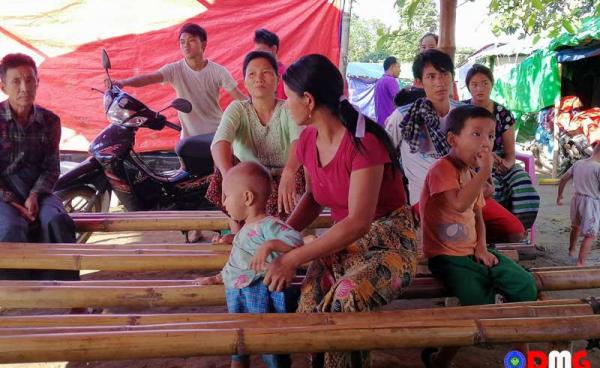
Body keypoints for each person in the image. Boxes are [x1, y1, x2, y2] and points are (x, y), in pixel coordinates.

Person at [264, 54, 418, 368]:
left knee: (346, 298)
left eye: (288, 97)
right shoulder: (309, 138)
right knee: (308, 304)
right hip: (343, 243)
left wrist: (293, 256)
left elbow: (360, 222)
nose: (284, 104)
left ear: (307, 100)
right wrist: (279, 236)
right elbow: (312, 197)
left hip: (386, 243)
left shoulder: (364, 143)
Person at [420, 105, 537, 368]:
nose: (486, 143)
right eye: (476, 134)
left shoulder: (470, 173)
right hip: (446, 257)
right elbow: (459, 204)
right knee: (477, 306)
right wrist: (484, 173)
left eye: (490, 135)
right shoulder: (443, 169)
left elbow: (477, 216)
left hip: (474, 251)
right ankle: (442, 360)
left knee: (524, 284)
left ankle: (520, 354)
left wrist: (482, 248)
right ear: (453, 140)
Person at [386, 49, 525, 244]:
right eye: (431, 76)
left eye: (444, 75)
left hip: (467, 194)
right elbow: (385, 158)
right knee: (453, 238)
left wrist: (486, 180)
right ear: (419, 82)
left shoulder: (464, 114)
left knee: (514, 231)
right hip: (427, 200)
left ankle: (478, 252)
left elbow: (480, 151)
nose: (439, 82)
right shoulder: (403, 117)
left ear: (452, 78)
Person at [197, 161, 303, 368]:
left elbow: (296, 239)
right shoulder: (246, 228)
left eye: (227, 196)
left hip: (259, 294)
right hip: (238, 293)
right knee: (237, 341)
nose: (224, 202)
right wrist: (218, 277)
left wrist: (270, 245)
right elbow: (239, 260)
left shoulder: (270, 225)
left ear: (247, 198)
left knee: (269, 344)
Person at [111, 23, 245, 172]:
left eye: (191, 40)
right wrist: (122, 83)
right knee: (186, 180)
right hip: (188, 137)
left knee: (220, 175)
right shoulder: (175, 69)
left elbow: (239, 98)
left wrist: (262, 108)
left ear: (204, 44)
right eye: (182, 42)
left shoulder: (218, 71)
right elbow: (149, 78)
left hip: (216, 133)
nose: (186, 45)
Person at [206, 51, 304, 242]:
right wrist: (229, 178)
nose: (259, 78)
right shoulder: (238, 108)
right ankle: (237, 233)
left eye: (266, 72)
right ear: (244, 82)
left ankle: (288, 236)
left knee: (301, 168)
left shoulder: (288, 108)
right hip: (250, 182)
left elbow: (299, 141)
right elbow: (219, 142)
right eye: (252, 74)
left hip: (284, 180)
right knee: (225, 165)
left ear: (277, 80)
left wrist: (289, 172)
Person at [0, 53, 78, 280]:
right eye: (16, 81)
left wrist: (34, 195)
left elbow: (52, 167)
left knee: (56, 220)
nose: (24, 87)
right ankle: (13, 296)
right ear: (3, 86)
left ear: (37, 82)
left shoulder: (50, 121)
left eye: (30, 80)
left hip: (38, 189)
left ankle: (71, 294)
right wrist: (12, 200)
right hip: (3, 192)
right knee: (10, 228)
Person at [463, 64, 540, 229]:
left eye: (484, 83)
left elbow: (510, 153)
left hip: (500, 161)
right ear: (468, 87)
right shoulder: (461, 111)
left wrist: (508, 164)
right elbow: (460, 145)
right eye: (474, 84)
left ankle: (519, 230)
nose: (480, 88)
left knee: (523, 185)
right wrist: (485, 157)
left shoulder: (503, 114)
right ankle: (498, 232)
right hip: (472, 161)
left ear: (492, 84)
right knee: (492, 189)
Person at [557, 141, 600, 266]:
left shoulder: (579, 163)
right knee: (590, 235)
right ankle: (580, 262)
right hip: (591, 203)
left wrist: (560, 195)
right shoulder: (598, 168)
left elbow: (564, 178)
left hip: (576, 199)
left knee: (575, 226)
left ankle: (571, 250)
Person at [254, 28, 287, 100]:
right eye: (256, 52)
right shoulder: (256, 74)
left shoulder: (285, 75)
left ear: (274, 49)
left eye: (261, 51)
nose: (258, 55)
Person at [374, 56, 400, 125]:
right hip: (390, 123)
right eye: (398, 67)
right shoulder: (391, 80)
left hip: (380, 123)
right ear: (392, 67)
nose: (400, 70)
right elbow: (399, 102)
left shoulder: (379, 81)